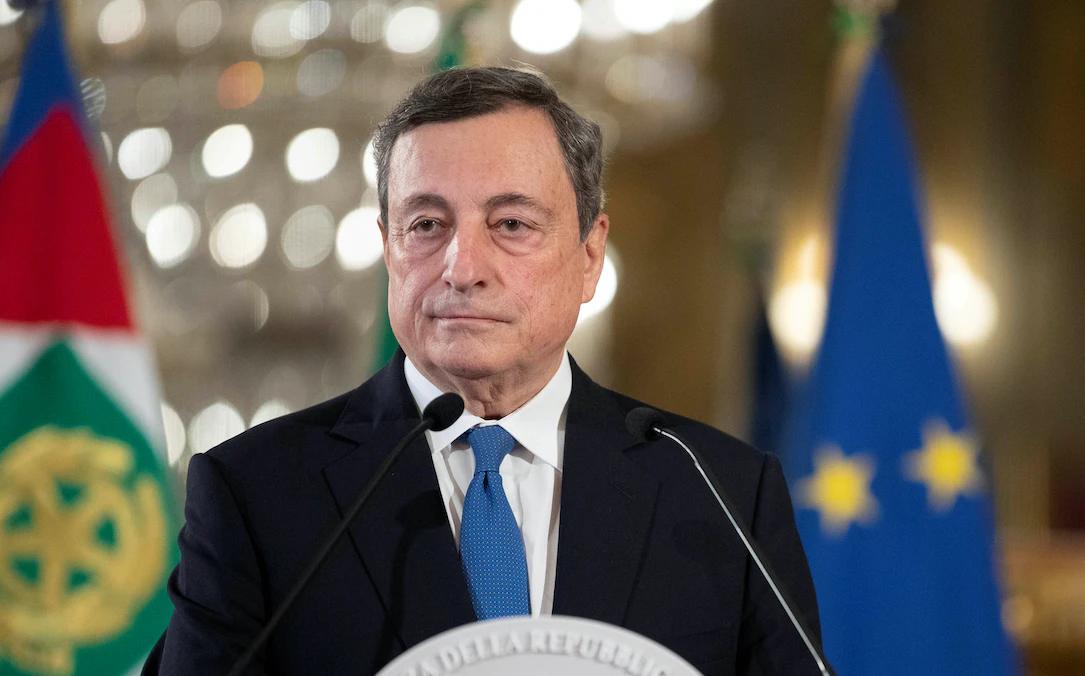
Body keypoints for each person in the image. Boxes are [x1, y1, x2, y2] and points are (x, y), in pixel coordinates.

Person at [147, 66, 822, 676]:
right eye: (426, 225)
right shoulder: (257, 493)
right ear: (387, 248)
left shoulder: (720, 492)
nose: (463, 268)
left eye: (511, 224)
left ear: (589, 256)